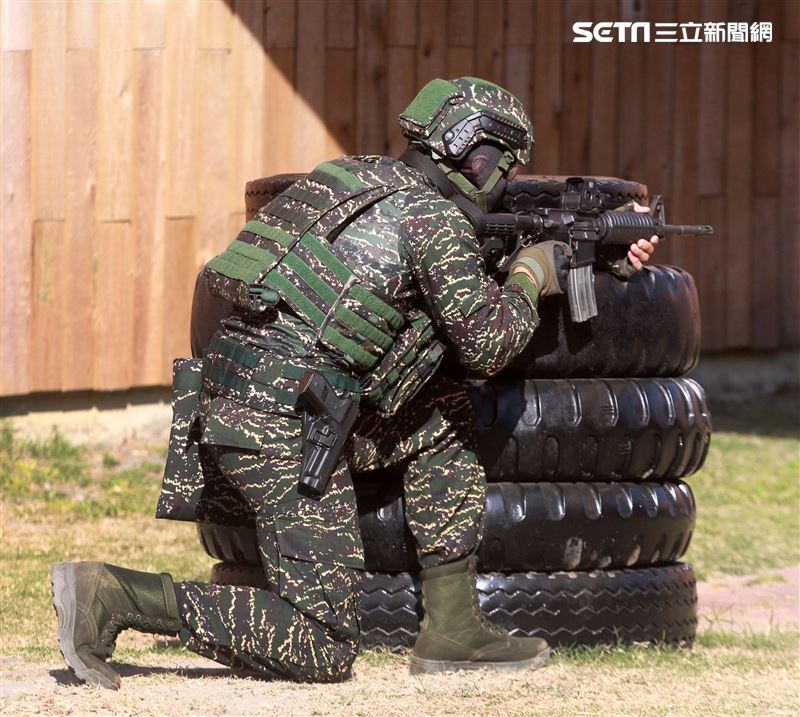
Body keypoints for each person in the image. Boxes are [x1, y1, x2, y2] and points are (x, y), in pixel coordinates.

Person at [51, 77, 658, 688]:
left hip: (251, 394)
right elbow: (488, 344)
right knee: (323, 644)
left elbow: (422, 280)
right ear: (478, 153)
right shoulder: (434, 221)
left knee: (443, 417)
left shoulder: (349, 178)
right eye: (502, 165)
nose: (503, 181)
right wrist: (533, 271)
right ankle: (117, 595)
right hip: (284, 424)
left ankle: (453, 626)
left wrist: (601, 243)